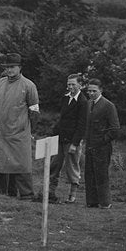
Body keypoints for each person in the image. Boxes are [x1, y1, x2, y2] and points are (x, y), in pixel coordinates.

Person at [0, 52, 40, 201]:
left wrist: (29, 130)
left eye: (12, 67)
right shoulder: (0, 83)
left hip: (18, 133)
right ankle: (4, 192)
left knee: (21, 163)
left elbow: (34, 111)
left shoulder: (29, 85)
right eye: (7, 67)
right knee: (2, 161)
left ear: (20, 67)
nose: (9, 70)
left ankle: (27, 194)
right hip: (0, 131)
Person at [47, 74, 87, 204]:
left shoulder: (83, 102)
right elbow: (61, 119)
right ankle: (50, 192)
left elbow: (82, 125)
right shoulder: (65, 98)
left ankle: (72, 195)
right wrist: (54, 134)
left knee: (72, 167)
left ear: (80, 85)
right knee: (54, 164)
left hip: (72, 140)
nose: (70, 87)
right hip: (60, 138)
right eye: (69, 84)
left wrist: (75, 143)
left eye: (73, 84)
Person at [83, 78, 120, 209]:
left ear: (101, 90)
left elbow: (115, 129)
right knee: (89, 173)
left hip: (102, 147)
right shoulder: (88, 104)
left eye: (94, 91)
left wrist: (102, 141)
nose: (91, 93)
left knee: (101, 174)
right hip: (89, 145)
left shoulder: (108, 106)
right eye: (89, 91)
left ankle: (105, 202)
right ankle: (92, 201)